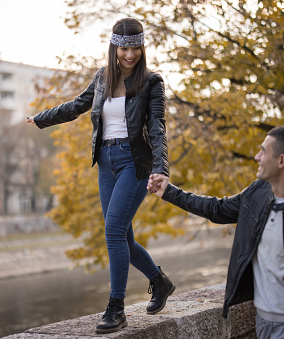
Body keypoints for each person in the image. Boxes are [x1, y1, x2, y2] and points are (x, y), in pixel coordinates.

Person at [27, 18, 175, 334]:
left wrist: (161, 167)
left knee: (113, 230)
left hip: (134, 163)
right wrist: (41, 119)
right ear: (114, 46)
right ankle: (159, 281)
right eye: (124, 47)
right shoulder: (102, 79)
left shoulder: (152, 82)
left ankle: (116, 308)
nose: (130, 54)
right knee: (122, 235)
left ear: (141, 47)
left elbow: (158, 128)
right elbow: (77, 106)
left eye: (135, 47)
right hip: (106, 162)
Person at [147, 126, 284, 339]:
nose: (257, 157)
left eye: (263, 151)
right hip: (264, 322)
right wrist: (169, 191)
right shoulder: (257, 193)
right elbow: (217, 209)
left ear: (281, 161)